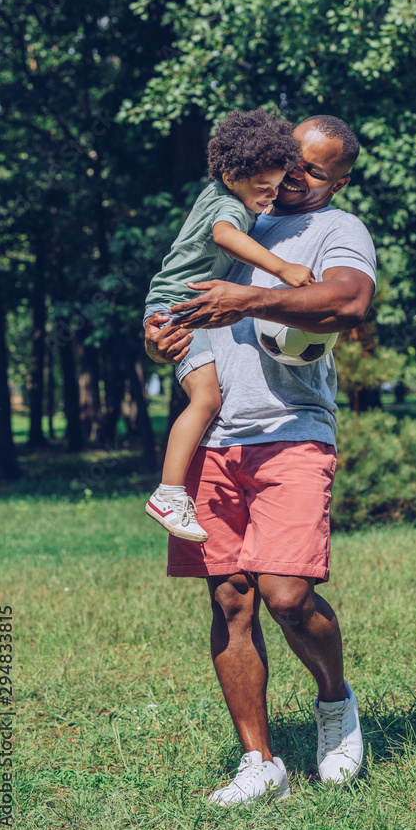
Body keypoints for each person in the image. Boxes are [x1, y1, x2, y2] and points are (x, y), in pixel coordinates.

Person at [145, 114, 376, 806]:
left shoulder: (337, 230)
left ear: (338, 178)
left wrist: (252, 295)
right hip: (216, 438)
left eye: (310, 170)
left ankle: (335, 704)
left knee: (286, 593)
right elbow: (179, 291)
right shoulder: (238, 206)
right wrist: (166, 336)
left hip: (292, 430)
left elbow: (349, 300)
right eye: (286, 164)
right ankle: (258, 762)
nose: (293, 179)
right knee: (230, 597)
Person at [143, 109, 314, 541]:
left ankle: (171, 490)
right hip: (176, 307)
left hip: (175, 305)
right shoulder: (225, 206)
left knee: (207, 397)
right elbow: (224, 236)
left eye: (276, 189)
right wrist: (283, 269)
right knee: (205, 398)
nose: (269, 198)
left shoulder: (223, 193)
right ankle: (168, 493)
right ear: (231, 173)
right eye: (262, 189)